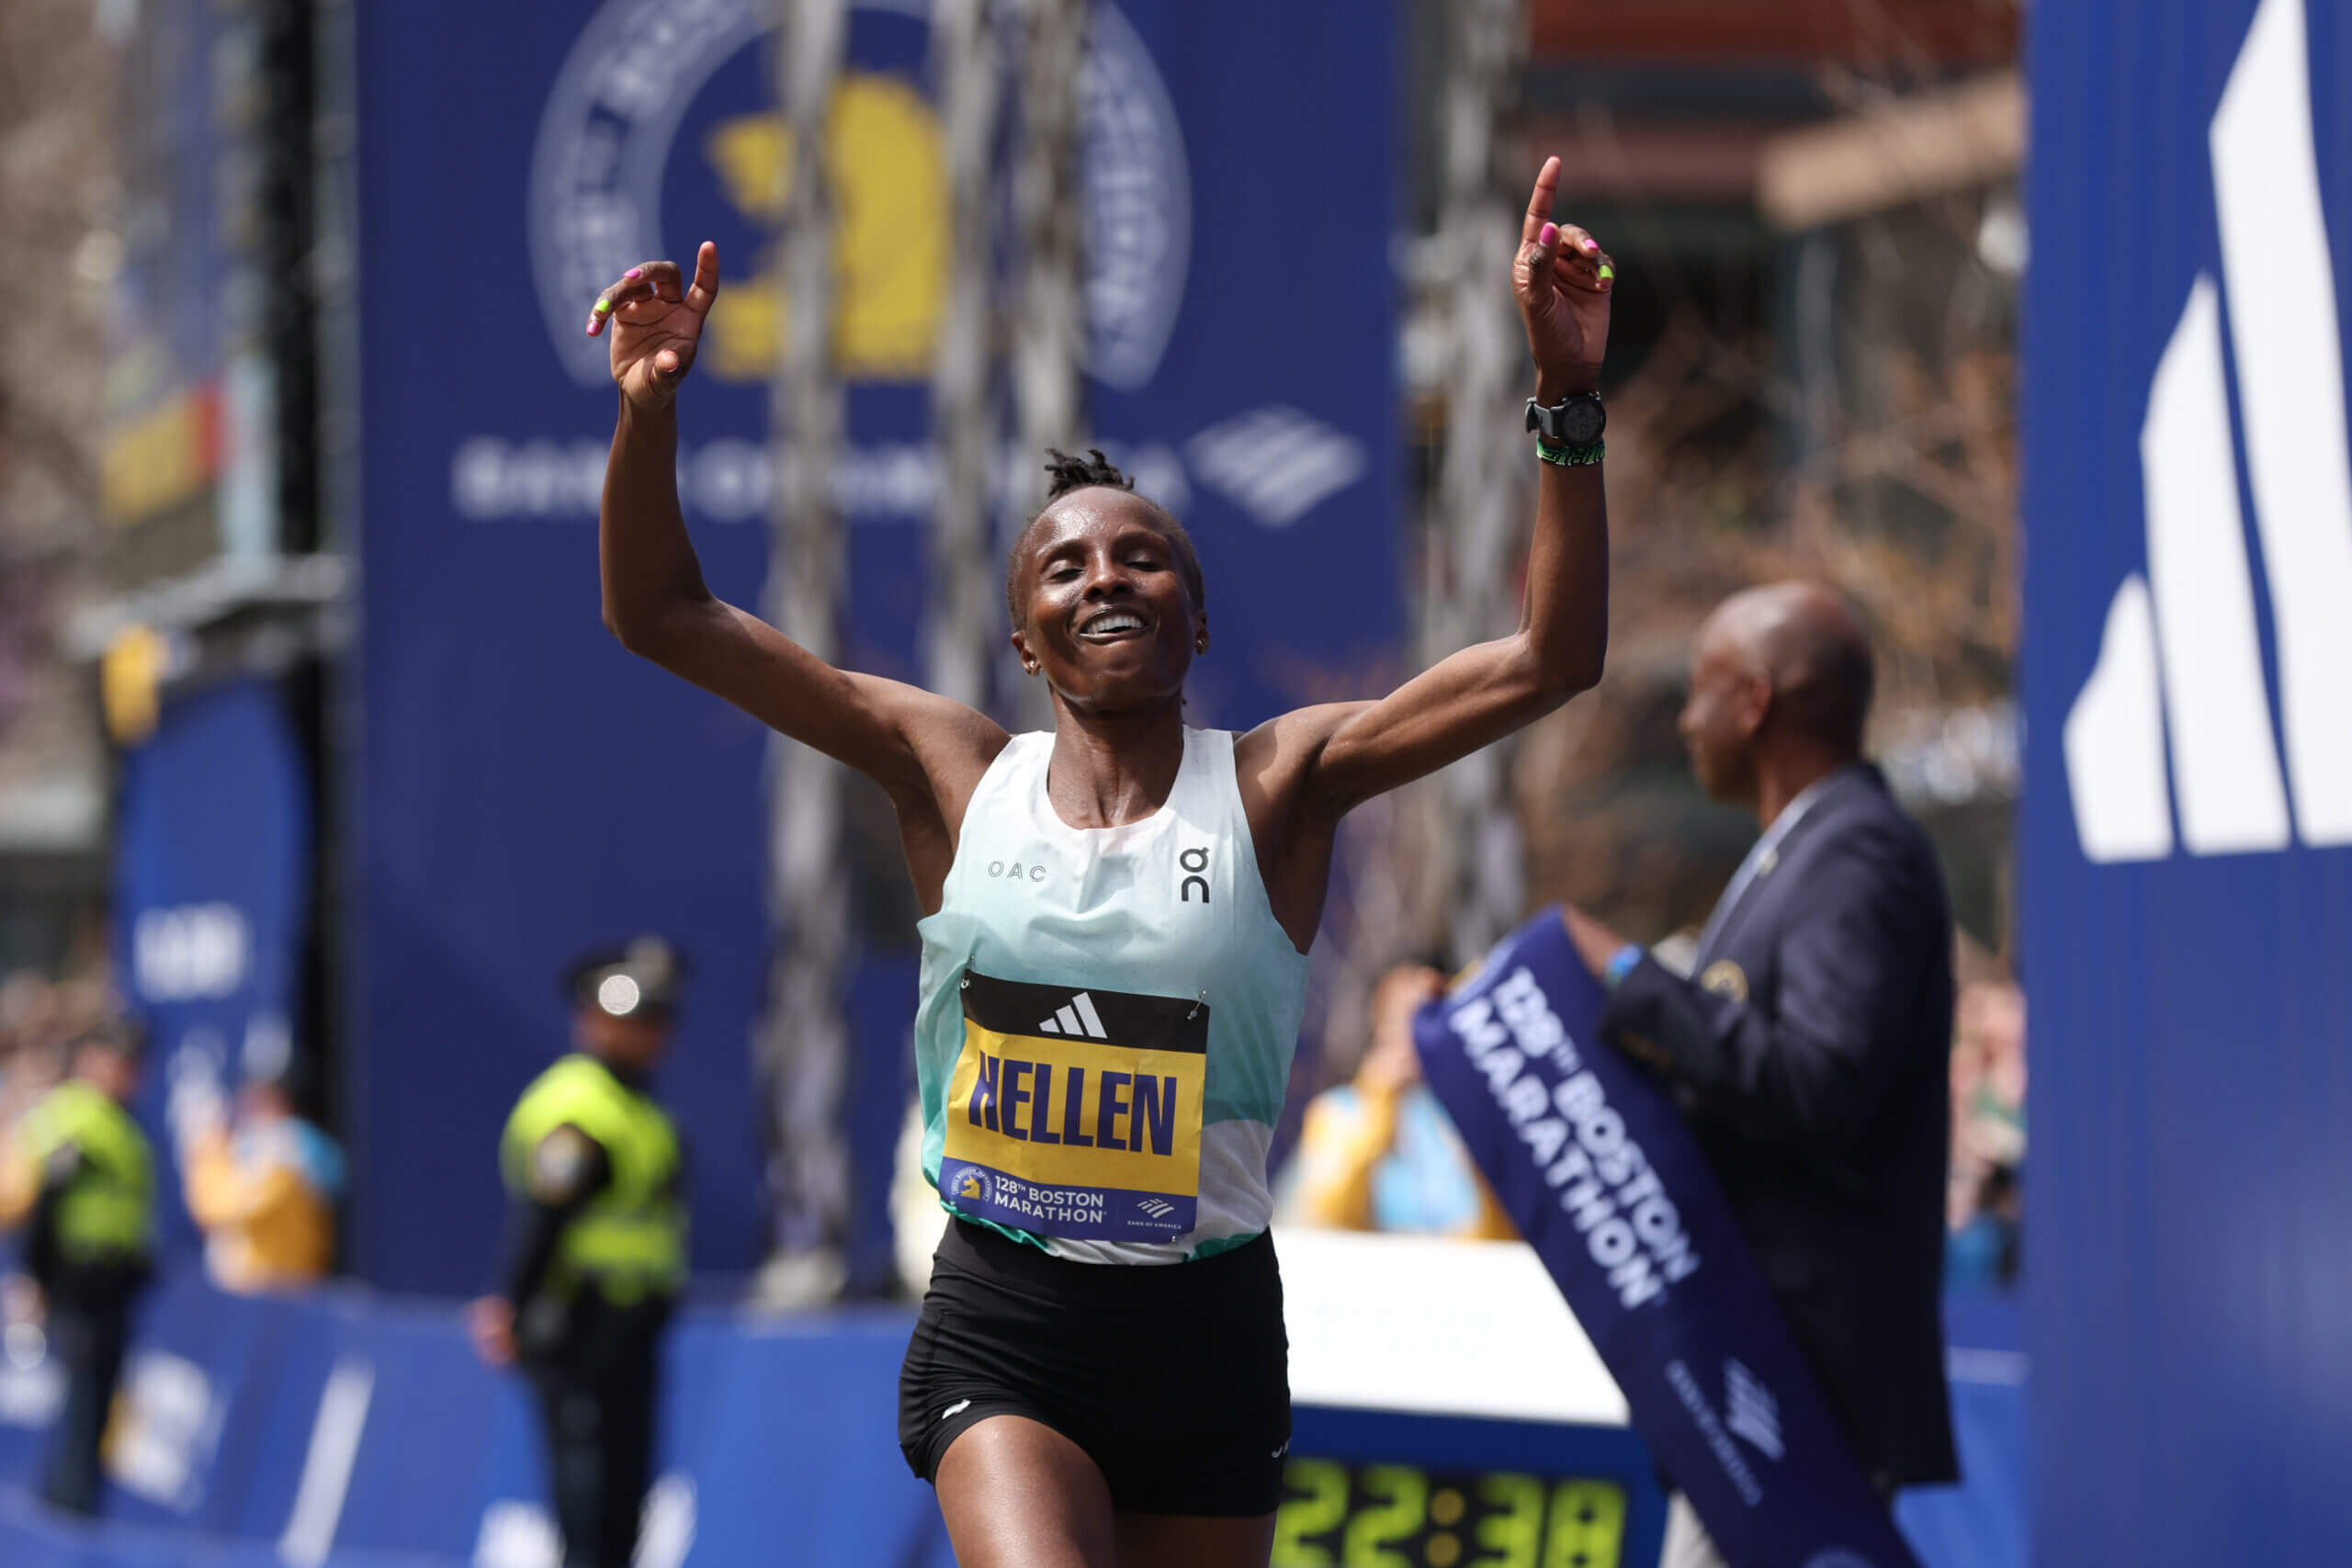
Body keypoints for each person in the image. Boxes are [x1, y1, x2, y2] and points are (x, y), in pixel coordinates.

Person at [588, 151, 1612, 1567]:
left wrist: (1564, 403)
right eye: (1064, 566)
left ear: (1195, 618)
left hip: (1207, 1329)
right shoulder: (951, 770)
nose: (1105, 575)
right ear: (1026, 640)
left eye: (1143, 557)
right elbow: (664, 615)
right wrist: (648, 413)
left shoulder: (1279, 785)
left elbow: (1552, 658)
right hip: (1010, 1322)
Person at [1557, 581, 1959, 1568]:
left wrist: (1624, 978)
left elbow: (1821, 1085)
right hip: (1752, 1375)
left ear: (1752, 702)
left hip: (1801, 1381)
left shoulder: (1857, 851)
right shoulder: (1799, 852)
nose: (1685, 722)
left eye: (1696, 693)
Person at [468, 939, 689, 1568]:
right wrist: (510, 1302)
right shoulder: (578, 1106)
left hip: (634, 1329)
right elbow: (546, 1216)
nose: (647, 1034)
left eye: (656, 1020)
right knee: (588, 1510)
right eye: (630, 1020)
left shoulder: (640, 1105)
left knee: (626, 1508)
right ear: (587, 1020)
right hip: (576, 1328)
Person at [0, 1019, 155, 1516]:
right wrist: (35, 1277)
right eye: (118, 1062)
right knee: (82, 1401)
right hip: (79, 1283)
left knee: (99, 1405)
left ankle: (78, 1508)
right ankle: (69, 1515)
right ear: (93, 1062)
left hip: (115, 1283)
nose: (127, 1074)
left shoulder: (118, 1121)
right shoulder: (73, 1117)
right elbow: (41, 1200)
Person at [1281, 963, 1513, 1238]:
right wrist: (1379, 1106)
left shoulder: (1464, 1112)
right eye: (1400, 1020)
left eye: (1426, 1018)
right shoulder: (1337, 1112)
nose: (1413, 1037)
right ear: (1379, 1025)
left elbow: (1500, 1227)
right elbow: (1326, 1217)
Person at [181, 1057, 345, 1292]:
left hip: (280, 1288)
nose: (247, 1104)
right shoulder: (251, 1144)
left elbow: (218, 1209)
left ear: (279, 1099)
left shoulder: (288, 1147)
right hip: (256, 1286)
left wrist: (207, 1152)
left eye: (258, 1096)